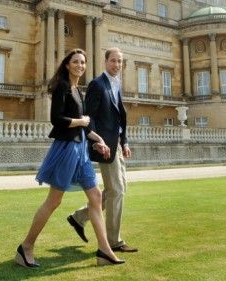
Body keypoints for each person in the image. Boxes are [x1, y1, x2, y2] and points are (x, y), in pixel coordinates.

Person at [15, 49, 124, 268]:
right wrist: (81, 122)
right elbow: (57, 119)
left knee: (95, 196)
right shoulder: (63, 86)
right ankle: (25, 247)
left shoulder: (77, 90)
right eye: (76, 62)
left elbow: (83, 125)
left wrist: (97, 139)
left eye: (83, 62)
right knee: (54, 201)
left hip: (82, 148)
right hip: (66, 149)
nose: (80, 66)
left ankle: (104, 250)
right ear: (67, 64)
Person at [67, 47, 138, 253]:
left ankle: (79, 217)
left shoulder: (117, 84)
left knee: (116, 189)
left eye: (120, 61)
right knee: (117, 191)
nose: (117, 65)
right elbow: (90, 117)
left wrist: (124, 141)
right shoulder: (98, 84)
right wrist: (98, 141)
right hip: (105, 146)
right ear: (106, 62)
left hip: (116, 144)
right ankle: (114, 241)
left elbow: (120, 118)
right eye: (114, 61)